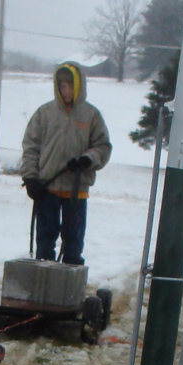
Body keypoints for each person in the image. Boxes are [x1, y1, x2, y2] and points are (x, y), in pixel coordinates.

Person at [20, 61, 111, 265]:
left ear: (79, 85)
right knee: (44, 245)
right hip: (47, 189)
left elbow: (103, 146)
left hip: (76, 191)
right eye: (62, 86)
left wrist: (88, 158)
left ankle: (69, 291)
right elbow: (30, 148)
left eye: (70, 85)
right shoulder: (44, 114)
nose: (66, 90)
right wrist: (30, 178)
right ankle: (42, 289)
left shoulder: (91, 115)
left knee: (73, 245)